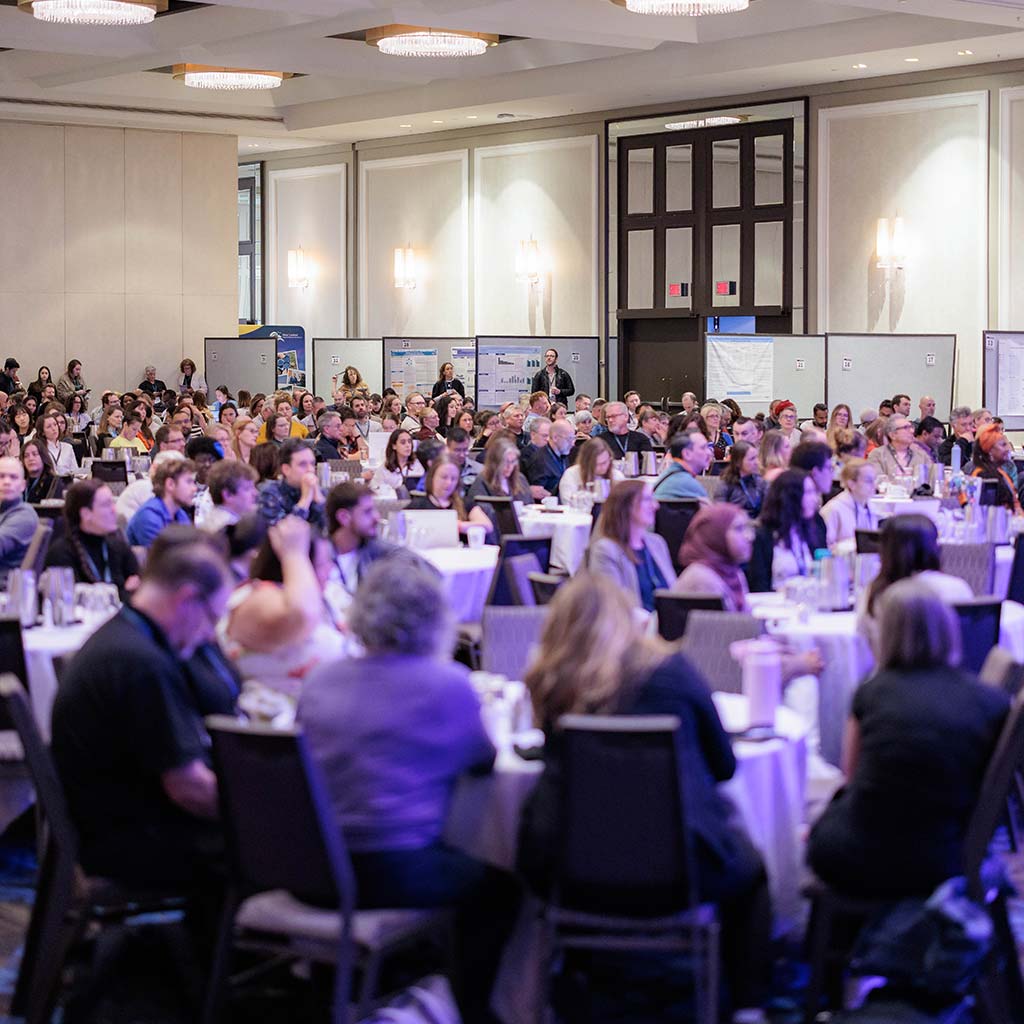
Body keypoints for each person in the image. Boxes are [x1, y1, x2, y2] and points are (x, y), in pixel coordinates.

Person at [518, 574, 772, 1019]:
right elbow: (725, 766)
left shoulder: (556, 685)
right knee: (751, 870)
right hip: (683, 871)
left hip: (574, 873)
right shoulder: (672, 671)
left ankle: (545, 988)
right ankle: (748, 1005)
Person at [50, 533, 232, 889]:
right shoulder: (141, 663)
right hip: (130, 839)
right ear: (187, 600)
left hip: (117, 820)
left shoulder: (124, 634)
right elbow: (188, 789)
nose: (210, 633)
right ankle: (228, 943)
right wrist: (265, 809)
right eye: (212, 618)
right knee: (279, 844)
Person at [808, 578, 1008, 899]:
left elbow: (851, 777)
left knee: (819, 823)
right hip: (949, 854)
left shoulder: (872, 692)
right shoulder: (990, 700)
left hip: (866, 855)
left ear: (884, 633)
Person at [220, 517, 349, 698]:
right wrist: (294, 554)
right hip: (275, 721)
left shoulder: (319, 598)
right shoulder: (256, 597)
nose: (330, 570)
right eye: (322, 564)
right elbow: (301, 614)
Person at [857, 514, 973, 651]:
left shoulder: (875, 592)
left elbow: (862, 647)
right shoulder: (957, 588)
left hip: (890, 671)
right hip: (948, 670)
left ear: (886, 551)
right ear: (934, 548)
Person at [587, 480, 675, 611]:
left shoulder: (657, 543)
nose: (655, 506)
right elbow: (612, 605)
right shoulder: (606, 551)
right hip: (630, 627)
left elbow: (674, 592)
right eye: (647, 499)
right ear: (627, 506)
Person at [44, 479, 140, 596]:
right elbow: (71, 603)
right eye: (106, 505)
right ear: (86, 514)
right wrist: (124, 592)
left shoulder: (118, 546)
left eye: (112, 503)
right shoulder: (61, 554)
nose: (114, 510)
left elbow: (141, 592)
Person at [746, 468, 821, 593]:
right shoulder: (762, 537)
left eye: (814, 492)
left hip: (807, 603)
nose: (815, 499)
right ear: (790, 497)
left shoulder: (811, 530)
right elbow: (759, 588)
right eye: (808, 492)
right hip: (772, 607)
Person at [674, 503, 754, 611]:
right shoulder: (702, 579)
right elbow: (727, 627)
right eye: (739, 529)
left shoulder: (734, 573)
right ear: (715, 535)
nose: (749, 536)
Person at [408, 454, 492, 535]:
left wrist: (459, 526)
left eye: (453, 478)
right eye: (444, 477)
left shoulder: (465, 503)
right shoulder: (417, 505)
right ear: (432, 477)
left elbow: (487, 526)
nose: (449, 483)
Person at [465, 435, 533, 529]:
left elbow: (530, 506)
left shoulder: (520, 479)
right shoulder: (482, 481)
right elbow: (481, 511)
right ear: (495, 462)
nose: (510, 467)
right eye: (505, 462)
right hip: (495, 529)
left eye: (513, 462)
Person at [257, 437, 326, 530]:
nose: (310, 469)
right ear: (286, 469)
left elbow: (330, 532)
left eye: (312, 463)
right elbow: (285, 534)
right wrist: (305, 500)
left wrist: (319, 500)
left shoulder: (320, 491)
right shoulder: (270, 494)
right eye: (303, 464)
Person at [126, 458, 197, 547]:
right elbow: (164, 558)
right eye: (189, 482)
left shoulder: (179, 513)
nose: (194, 488)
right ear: (170, 484)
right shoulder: (149, 517)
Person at [819, 458, 879, 547]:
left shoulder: (871, 506)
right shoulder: (834, 509)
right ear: (851, 484)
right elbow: (825, 545)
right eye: (868, 481)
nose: (874, 485)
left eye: (874, 480)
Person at [0, 456, 38, 584]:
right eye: (1, 476)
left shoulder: (24, 515)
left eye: (13, 477)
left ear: (23, 485)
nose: (6, 482)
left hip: (7, 594)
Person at [969, 423, 1022, 514]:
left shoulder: (999, 471)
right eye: (1003, 445)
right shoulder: (984, 477)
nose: (1007, 449)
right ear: (990, 451)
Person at [196, 459, 259, 533]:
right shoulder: (226, 530)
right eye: (247, 489)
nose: (255, 493)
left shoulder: (230, 519)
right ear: (228, 495)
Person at [558, 435, 624, 503]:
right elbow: (568, 502)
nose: (603, 467)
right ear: (586, 463)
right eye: (597, 464)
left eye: (605, 462)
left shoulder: (617, 476)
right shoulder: (571, 475)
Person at [652, 429, 711, 502]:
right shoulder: (687, 484)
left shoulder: (670, 475)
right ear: (687, 454)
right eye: (703, 448)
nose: (709, 453)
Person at [868, 415, 932, 480]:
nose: (912, 431)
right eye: (906, 428)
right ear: (892, 435)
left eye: (911, 427)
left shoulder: (921, 455)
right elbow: (877, 481)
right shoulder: (877, 455)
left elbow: (931, 480)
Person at [524, 419, 576, 498]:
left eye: (573, 438)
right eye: (569, 439)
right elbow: (538, 494)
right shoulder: (540, 461)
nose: (572, 444)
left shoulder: (563, 454)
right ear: (555, 438)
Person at [720, 440, 766, 517]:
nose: (756, 462)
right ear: (738, 462)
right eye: (752, 459)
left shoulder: (761, 482)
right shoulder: (725, 485)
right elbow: (719, 513)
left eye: (757, 458)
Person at [371, 428, 420, 496]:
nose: (408, 445)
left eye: (409, 442)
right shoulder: (384, 469)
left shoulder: (418, 466)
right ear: (394, 446)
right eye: (403, 442)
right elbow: (374, 489)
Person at [20, 438, 63, 504]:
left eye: (35, 454)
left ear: (43, 457)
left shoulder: (53, 482)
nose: (31, 458)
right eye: (26, 456)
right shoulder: (19, 482)